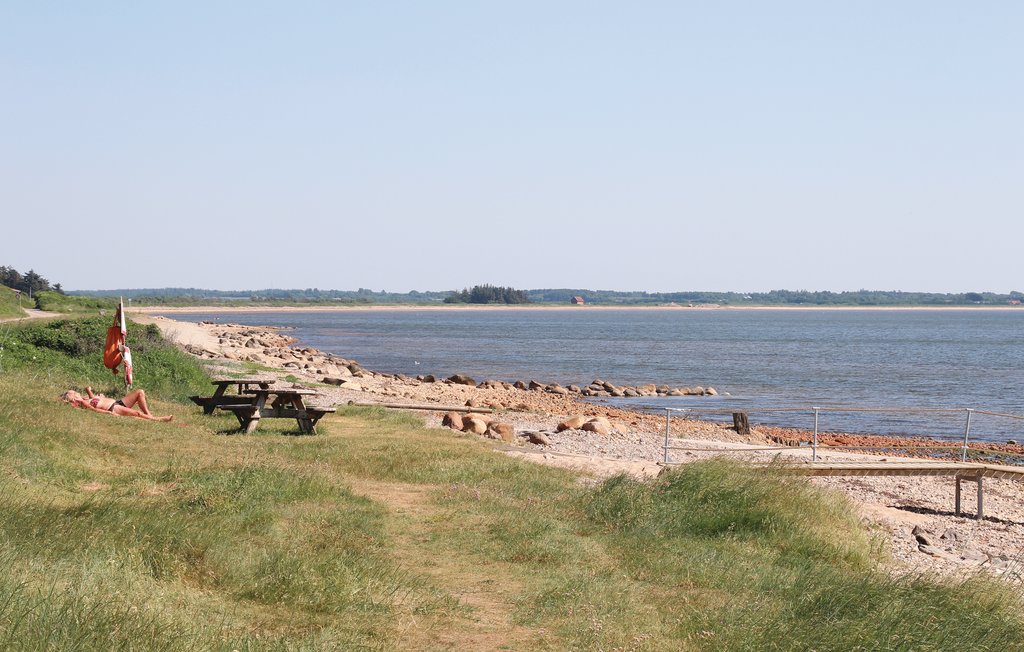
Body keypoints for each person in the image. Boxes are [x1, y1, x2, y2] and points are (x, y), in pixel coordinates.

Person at [61, 386, 174, 422]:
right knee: (137, 414)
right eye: (74, 394)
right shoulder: (81, 403)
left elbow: (93, 399)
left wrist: (89, 391)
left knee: (140, 392)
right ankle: (158, 420)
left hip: (118, 402)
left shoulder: (85, 399)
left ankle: (150, 416)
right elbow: (93, 409)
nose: (76, 393)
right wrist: (108, 413)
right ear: (72, 399)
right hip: (113, 408)